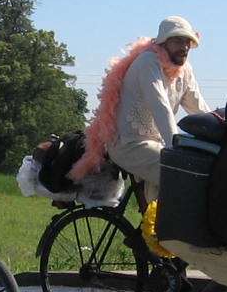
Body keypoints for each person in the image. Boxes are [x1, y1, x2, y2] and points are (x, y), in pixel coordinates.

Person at [72, 15, 209, 204]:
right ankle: (169, 223)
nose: (184, 47)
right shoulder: (148, 62)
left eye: (187, 42)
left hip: (157, 144)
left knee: (197, 168)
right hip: (129, 144)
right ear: (163, 43)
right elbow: (160, 107)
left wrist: (222, 133)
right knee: (184, 171)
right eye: (178, 41)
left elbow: (200, 110)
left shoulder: (185, 70)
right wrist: (175, 149)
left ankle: (159, 219)